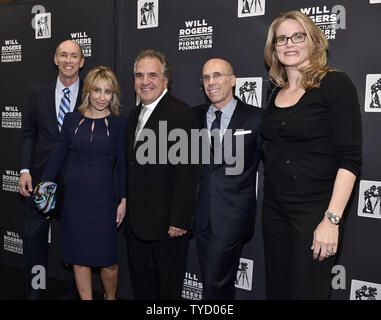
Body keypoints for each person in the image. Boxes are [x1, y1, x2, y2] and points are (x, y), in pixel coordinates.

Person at [260, 11, 362, 299]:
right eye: (281, 39)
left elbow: (350, 158)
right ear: (274, 47)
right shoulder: (274, 89)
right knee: (277, 291)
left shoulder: (335, 84)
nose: (289, 43)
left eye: (298, 36)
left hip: (315, 211)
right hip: (274, 209)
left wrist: (331, 220)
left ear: (314, 41)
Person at [39, 66, 126, 300]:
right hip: (75, 202)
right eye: (97, 90)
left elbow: (124, 166)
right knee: (79, 259)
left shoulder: (119, 125)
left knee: (108, 262)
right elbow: (58, 155)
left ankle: (111, 298)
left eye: (107, 92)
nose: (101, 96)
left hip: (104, 201)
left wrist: (124, 199)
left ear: (113, 95)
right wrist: (44, 185)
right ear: (88, 90)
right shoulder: (71, 119)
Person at [125, 49, 199, 300]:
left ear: (165, 80)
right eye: (139, 75)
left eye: (152, 75)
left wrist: (180, 220)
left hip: (168, 225)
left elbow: (188, 173)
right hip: (136, 223)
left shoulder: (180, 113)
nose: (145, 81)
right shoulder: (134, 115)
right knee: (142, 287)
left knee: (167, 291)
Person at [19, 40, 84, 300]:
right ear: (55, 59)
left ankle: (73, 292)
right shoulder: (38, 93)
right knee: (35, 240)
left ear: (81, 62)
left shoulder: (92, 94)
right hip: (41, 177)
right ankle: (36, 290)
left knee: (74, 238)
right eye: (63, 55)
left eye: (74, 56)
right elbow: (28, 134)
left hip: (77, 179)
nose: (68, 60)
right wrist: (25, 169)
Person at [193, 58, 263, 299]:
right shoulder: (193, 117)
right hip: (201, 216)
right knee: (213, 283)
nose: (211, 82)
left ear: (233, 80)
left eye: (218, 75)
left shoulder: (256, 118)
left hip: (233, 216)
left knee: (216, 282)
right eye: (206, 77)